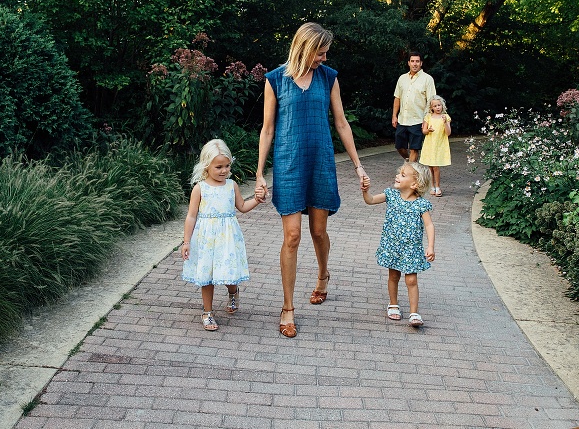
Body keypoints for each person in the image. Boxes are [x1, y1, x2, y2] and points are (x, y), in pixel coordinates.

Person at [255, 22, 368, 338]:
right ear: (304, 48)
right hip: (289, 166)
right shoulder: (276, 80)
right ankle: (287, 308)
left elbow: (342, 124)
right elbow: (267, 129)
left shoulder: (328, 78)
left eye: (325, 52)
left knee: (319, 231)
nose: (324, 57)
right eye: (320, 52)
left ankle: (322, 276)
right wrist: (260, 172)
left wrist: (358, 166)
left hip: (320, 164)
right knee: (292, 236)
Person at [181, 139, 266, 331]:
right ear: (206, 166)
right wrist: (186, 242)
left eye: (227, 166)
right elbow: (191, 216)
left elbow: (242, 207)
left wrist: (257, 200)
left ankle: (233, 292)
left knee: (229, 276)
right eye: (218, 166)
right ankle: (208, 312)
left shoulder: (231, 186)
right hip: (205, 239)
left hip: (227, 238)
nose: (223, 170)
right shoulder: (199, 188)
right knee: (207, 277)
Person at [362, 161, 435, 327]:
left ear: (415, 183)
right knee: (393, 276)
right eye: (399, 173)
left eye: (403, 175)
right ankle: (393, 304)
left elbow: (429, 225)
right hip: (392, 246)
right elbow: (371, 200)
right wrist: (365, 191)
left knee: (411, 280)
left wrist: (430, 246)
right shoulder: (391, 195)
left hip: (412, 249)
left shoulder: (421, 204)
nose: (397, 176)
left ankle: (414, 313)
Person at [392, 52, 436, 162]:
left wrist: (428, 120)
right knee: (399, 147)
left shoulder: (427, 79)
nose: (414, 64)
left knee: (414, 148)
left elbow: (432, 101)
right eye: (412, 61)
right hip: (403, 119)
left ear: (421, 63)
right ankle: (410, 162)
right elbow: (397, 98)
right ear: (408, 63)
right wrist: (394, 116)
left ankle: (411, 171)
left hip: (418, 120)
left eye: (417, 61)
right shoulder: (402, 78)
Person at [419, 95, 452, 196]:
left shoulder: (445, 117)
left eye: (439, 105)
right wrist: (428, 130)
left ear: (442, 106)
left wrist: (445, 123)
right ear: (431, 107)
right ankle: (431, 186)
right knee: (430, 167)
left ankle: (438, 186)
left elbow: (448, 132)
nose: (438, 107)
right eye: (435, 106)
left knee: (436, 167)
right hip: (430, 144)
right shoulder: (428, 117)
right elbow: (424, 131)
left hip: (439, 144)